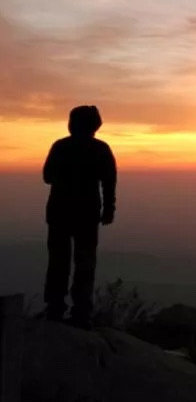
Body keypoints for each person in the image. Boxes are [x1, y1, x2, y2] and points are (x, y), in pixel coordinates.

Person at [43, 105, 117, 328]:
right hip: (87, 213)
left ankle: (55, 308)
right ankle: (82, 313)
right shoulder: (101, 149)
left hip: (59, 211)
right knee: (85, 263)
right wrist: (109, 209)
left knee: (58, 262)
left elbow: (47, 177)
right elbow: (109, 182)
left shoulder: (61, 146)